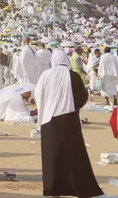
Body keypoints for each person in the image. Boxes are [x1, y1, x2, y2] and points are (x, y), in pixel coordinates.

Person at [35, 49, 103, 197]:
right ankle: (78, 188)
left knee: (52, 157)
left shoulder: (46, 75)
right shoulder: (74, 76)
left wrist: (41, 116)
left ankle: (53, 190)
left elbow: (39, 96)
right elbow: (82, 97)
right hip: (70, 120)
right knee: (74, 155)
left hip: (49, 121)